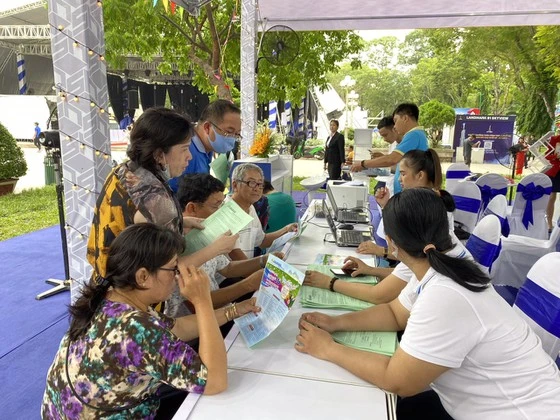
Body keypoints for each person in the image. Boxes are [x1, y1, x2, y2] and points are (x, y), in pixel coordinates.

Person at [296, 189, 560, 419]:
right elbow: (394, 313)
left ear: (391, 243)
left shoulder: (446, 293)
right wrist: (335, 323)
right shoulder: (441, 264)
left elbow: (396, 380)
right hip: (486, 402)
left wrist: (327, 348)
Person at [42, 223, 260, 418]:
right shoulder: (136, 329)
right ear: (143, 277)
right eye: (173, 268)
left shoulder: (111, 296)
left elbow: (177, 327)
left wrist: (234, 310)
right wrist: (202, 300)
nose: (177, 275)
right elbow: (215, 381)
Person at [87, 107, 237, 281]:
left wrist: (181, 221)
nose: (189, 157)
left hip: (103, 279)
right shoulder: (156, 199)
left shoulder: (124, 171)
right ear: (159, 155)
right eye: (184, 149)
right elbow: (174, 268)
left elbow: (139, 222)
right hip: (130, 291)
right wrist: (217, 248)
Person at [304, 149, 460, 305]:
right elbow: (406, 273)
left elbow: (378, 295)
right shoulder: (427, 208)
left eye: (403, 173)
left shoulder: (427, 217)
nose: (399, 179)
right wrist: (371, 270)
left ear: (420, 176)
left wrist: (329, 283)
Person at [171, 173, 274, 317]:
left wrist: (265, 260)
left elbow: (228, 268)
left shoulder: (205, 231)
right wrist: (247, 285)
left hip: (220, 311)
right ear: (192, 208)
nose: (221, 212)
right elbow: (201, 302)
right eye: (216, 206)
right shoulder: (175, 247)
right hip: (199, 323)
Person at [226, 163, 298, 260]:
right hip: (235, 274)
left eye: (260, 184)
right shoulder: (226, 212)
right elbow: (236, 258)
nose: (257, 188)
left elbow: (261, 241)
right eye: (251, 183)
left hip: (246, 270)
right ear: (235, 185)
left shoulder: (250, 207)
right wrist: (262, 264)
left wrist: (286, 229)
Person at [351, 103, 428, 194]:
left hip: (409, 193)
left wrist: (363, 163)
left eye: (395, 121)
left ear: (405, 118)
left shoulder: (414, 135)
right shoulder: (416, 135)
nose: (395, 126)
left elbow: (392, 159)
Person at [168, 100, 241, 192]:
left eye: (237, 134)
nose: (233, 139)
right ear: (207, 127)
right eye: (229, 132)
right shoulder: (185, 151)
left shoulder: (208, 147)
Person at [545, 134, 560, 233]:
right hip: (555, 171)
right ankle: (549, 224)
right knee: (551, 197)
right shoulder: (555, 139)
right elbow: (547, 155)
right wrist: (556, 156)